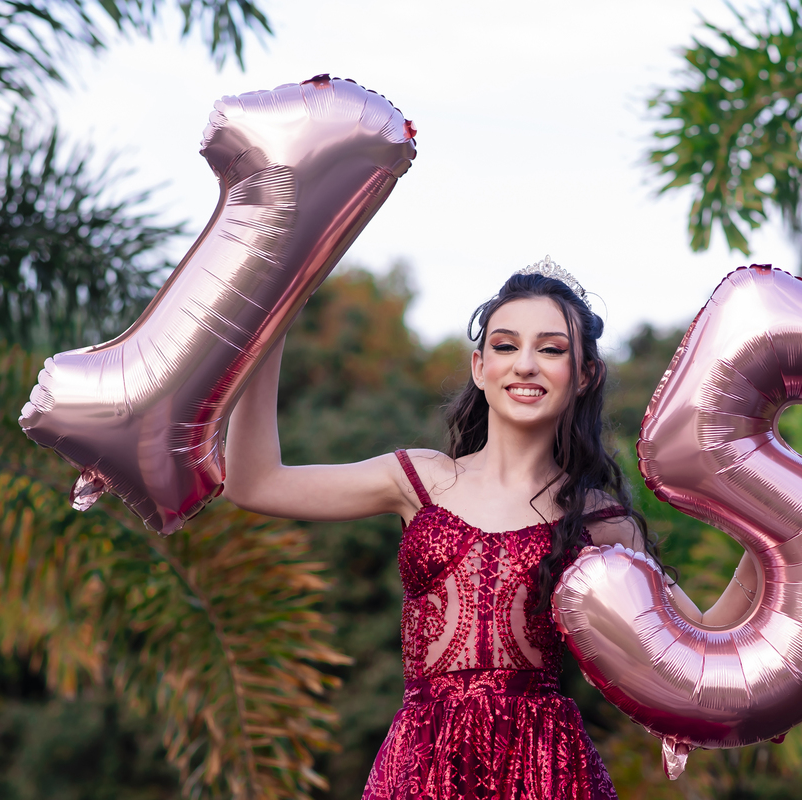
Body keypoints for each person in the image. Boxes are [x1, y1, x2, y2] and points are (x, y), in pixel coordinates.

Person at [223, 258, 758, 799]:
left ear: (585, 374)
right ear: (479, 367)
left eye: (550, 349)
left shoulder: (599, 519)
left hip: (545, 769)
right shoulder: (418, 479)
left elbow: (705, 641)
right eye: (505, 346)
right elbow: (254, 483)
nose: (525, 364)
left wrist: (778, 538)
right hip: (422, 767)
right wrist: (272, 327)